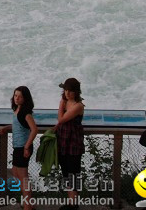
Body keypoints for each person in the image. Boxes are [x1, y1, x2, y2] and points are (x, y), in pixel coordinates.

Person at [55, 78, 85, 206]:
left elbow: (61, 119)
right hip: (63, 142)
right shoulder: (67, 102)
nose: (67, 93)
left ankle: (74, 203)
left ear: (76, 92)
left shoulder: (78, 105)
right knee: (66, 172)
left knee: (73, 172)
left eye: (70, 91)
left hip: (73, 143)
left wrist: (61, 105)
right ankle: (71, 202)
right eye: (66, 90)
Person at [9, 86, 38, 210]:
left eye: (20, 96)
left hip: (23, 147)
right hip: (18, 147)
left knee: (23, 177)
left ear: (25, 98)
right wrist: (6, 128)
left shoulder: (25, 113)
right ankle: (28, 203)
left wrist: (26, 147)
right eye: (15, 95)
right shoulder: (17, 110)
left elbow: (34, 130)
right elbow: (18, 127)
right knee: (16, 173)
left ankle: (27, 206)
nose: (17, 98)